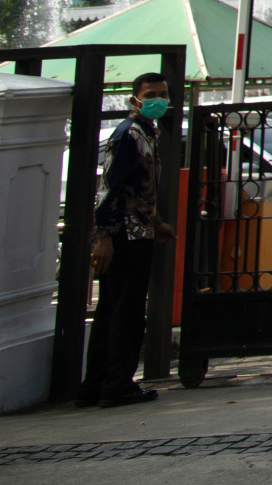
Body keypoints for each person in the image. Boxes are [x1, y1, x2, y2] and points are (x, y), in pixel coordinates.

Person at [78, 72, 175, 409]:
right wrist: (103, 237)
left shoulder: (148, 133)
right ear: (135, 98)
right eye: (150, 94)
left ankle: (97, 385)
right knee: (126, 313)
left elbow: (140, 190)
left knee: (114, 310)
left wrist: (158, 222)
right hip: (124, 237)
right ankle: (117, 385)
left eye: (163, 94)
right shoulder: (129, 135)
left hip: (138, 231)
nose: (158, 100)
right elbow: (110, 188)